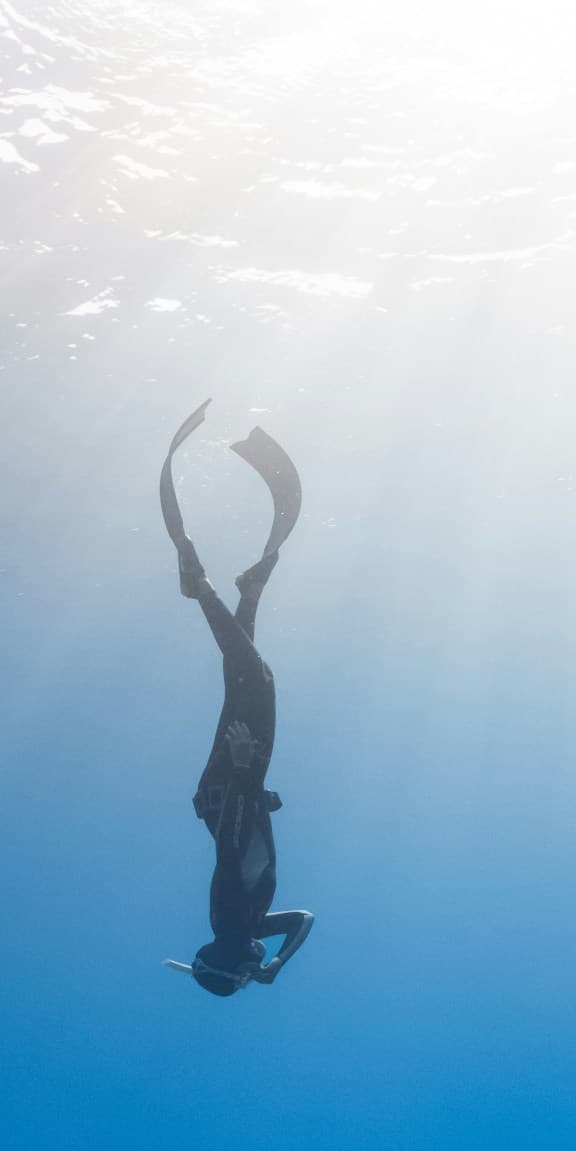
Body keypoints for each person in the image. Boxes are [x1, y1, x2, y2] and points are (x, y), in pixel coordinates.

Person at [159, 402, 314, 995]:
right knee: (244, 678)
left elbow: (230, 853)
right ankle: (247, 594)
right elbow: (302, 920)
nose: (257, 966)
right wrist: (281, 962)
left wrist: (247, 777)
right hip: (227, 791)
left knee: (257, 681)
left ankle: (199, 590)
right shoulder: (253, 924)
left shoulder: (229, 916)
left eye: (248, 971)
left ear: (232, 960)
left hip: (231, 786)